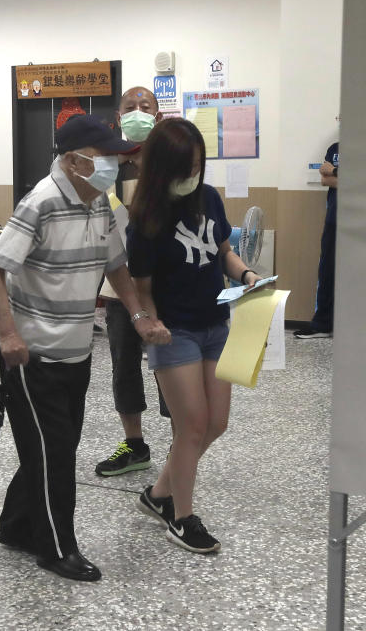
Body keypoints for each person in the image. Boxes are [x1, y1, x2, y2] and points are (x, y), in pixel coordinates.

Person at [0, 114, 170, 581]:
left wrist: (140, 315)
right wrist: (7, 334)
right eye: (104, 157)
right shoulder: (41, 203)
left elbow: (117, 266)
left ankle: (15, 526)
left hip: (77, 352)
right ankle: (56, 547)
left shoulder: (99, 205)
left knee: (54, 448)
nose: (113, 166)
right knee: (55, 454)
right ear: (73, 161)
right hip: (33, 357)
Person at [127, 118, 262, 553]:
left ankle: (159, 493)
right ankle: (182, 519)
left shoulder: (207, 197)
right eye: (185, 168)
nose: (193, 176)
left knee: (216, 424)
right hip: (176, 333)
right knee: (191, 427)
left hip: (216, 324)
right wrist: (150, 323)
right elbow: (142, 287)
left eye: (198, 166)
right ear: (164, 168)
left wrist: (245, 273)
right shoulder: (145, 218)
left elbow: (222, 249)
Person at [94, 86, 173, 478]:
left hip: (164, 286)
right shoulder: (107, 167)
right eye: (131, 108)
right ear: (119, 118)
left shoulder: (170, 165)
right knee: (124, 365)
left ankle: (182, 442)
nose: (138, 112)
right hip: (119, 286)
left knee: (171, 365)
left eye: (146, 107)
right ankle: (135, 444)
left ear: (157, 117)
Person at [296, 133, 339, 339]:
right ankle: (322, 324)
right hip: (333, 220)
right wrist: (336, 176)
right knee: (327, 272)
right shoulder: (334, 148)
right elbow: (325, 180)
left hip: (361, 223)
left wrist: (336, 171)